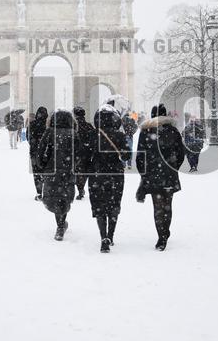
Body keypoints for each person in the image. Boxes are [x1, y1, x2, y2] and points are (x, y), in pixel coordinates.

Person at [135, 104, 186, 251]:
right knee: (167, 205)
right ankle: (165, 232)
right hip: (169, 174)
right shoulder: (173, 131)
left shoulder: (145, 132)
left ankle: (161, 236)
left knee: (157, 207)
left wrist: (144, 174)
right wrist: (173, 167)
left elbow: (140, 157)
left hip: (153, 175)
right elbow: (181, 154)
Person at [88, 102, 130, 252]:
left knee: (99, 206)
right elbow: (126, 156)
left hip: (97, 174)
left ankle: (103, 237)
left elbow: (85, 155)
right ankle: (111, 235)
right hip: (115, 174)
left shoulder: (93, 135)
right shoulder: (119, 135)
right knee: (113, 204)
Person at [34, 110, 77, 241]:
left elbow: (41, 151)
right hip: (68, 171)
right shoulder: (73, 134)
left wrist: (42, 165)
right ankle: (61, 224)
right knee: (64, 198)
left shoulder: (49, 132)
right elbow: (79, 153)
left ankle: (60, 225)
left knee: (55, 197)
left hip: (51, 171)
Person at [72, 106, 95, 200]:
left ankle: (80, 188)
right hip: (87, 152)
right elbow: (94, 139)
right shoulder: (89, 126)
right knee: (84, 171)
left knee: (77, 170)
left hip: (76, 152)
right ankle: (81, 187)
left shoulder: (73, 126)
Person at [27, 107, 49, 200]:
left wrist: (35, 144)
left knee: (36, 173)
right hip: (47, 153)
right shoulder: (49, 126)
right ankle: (47, 191)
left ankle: (39, 192)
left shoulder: (32, 124)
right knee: (47, 172)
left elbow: (28, 138)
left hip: (34, 152)